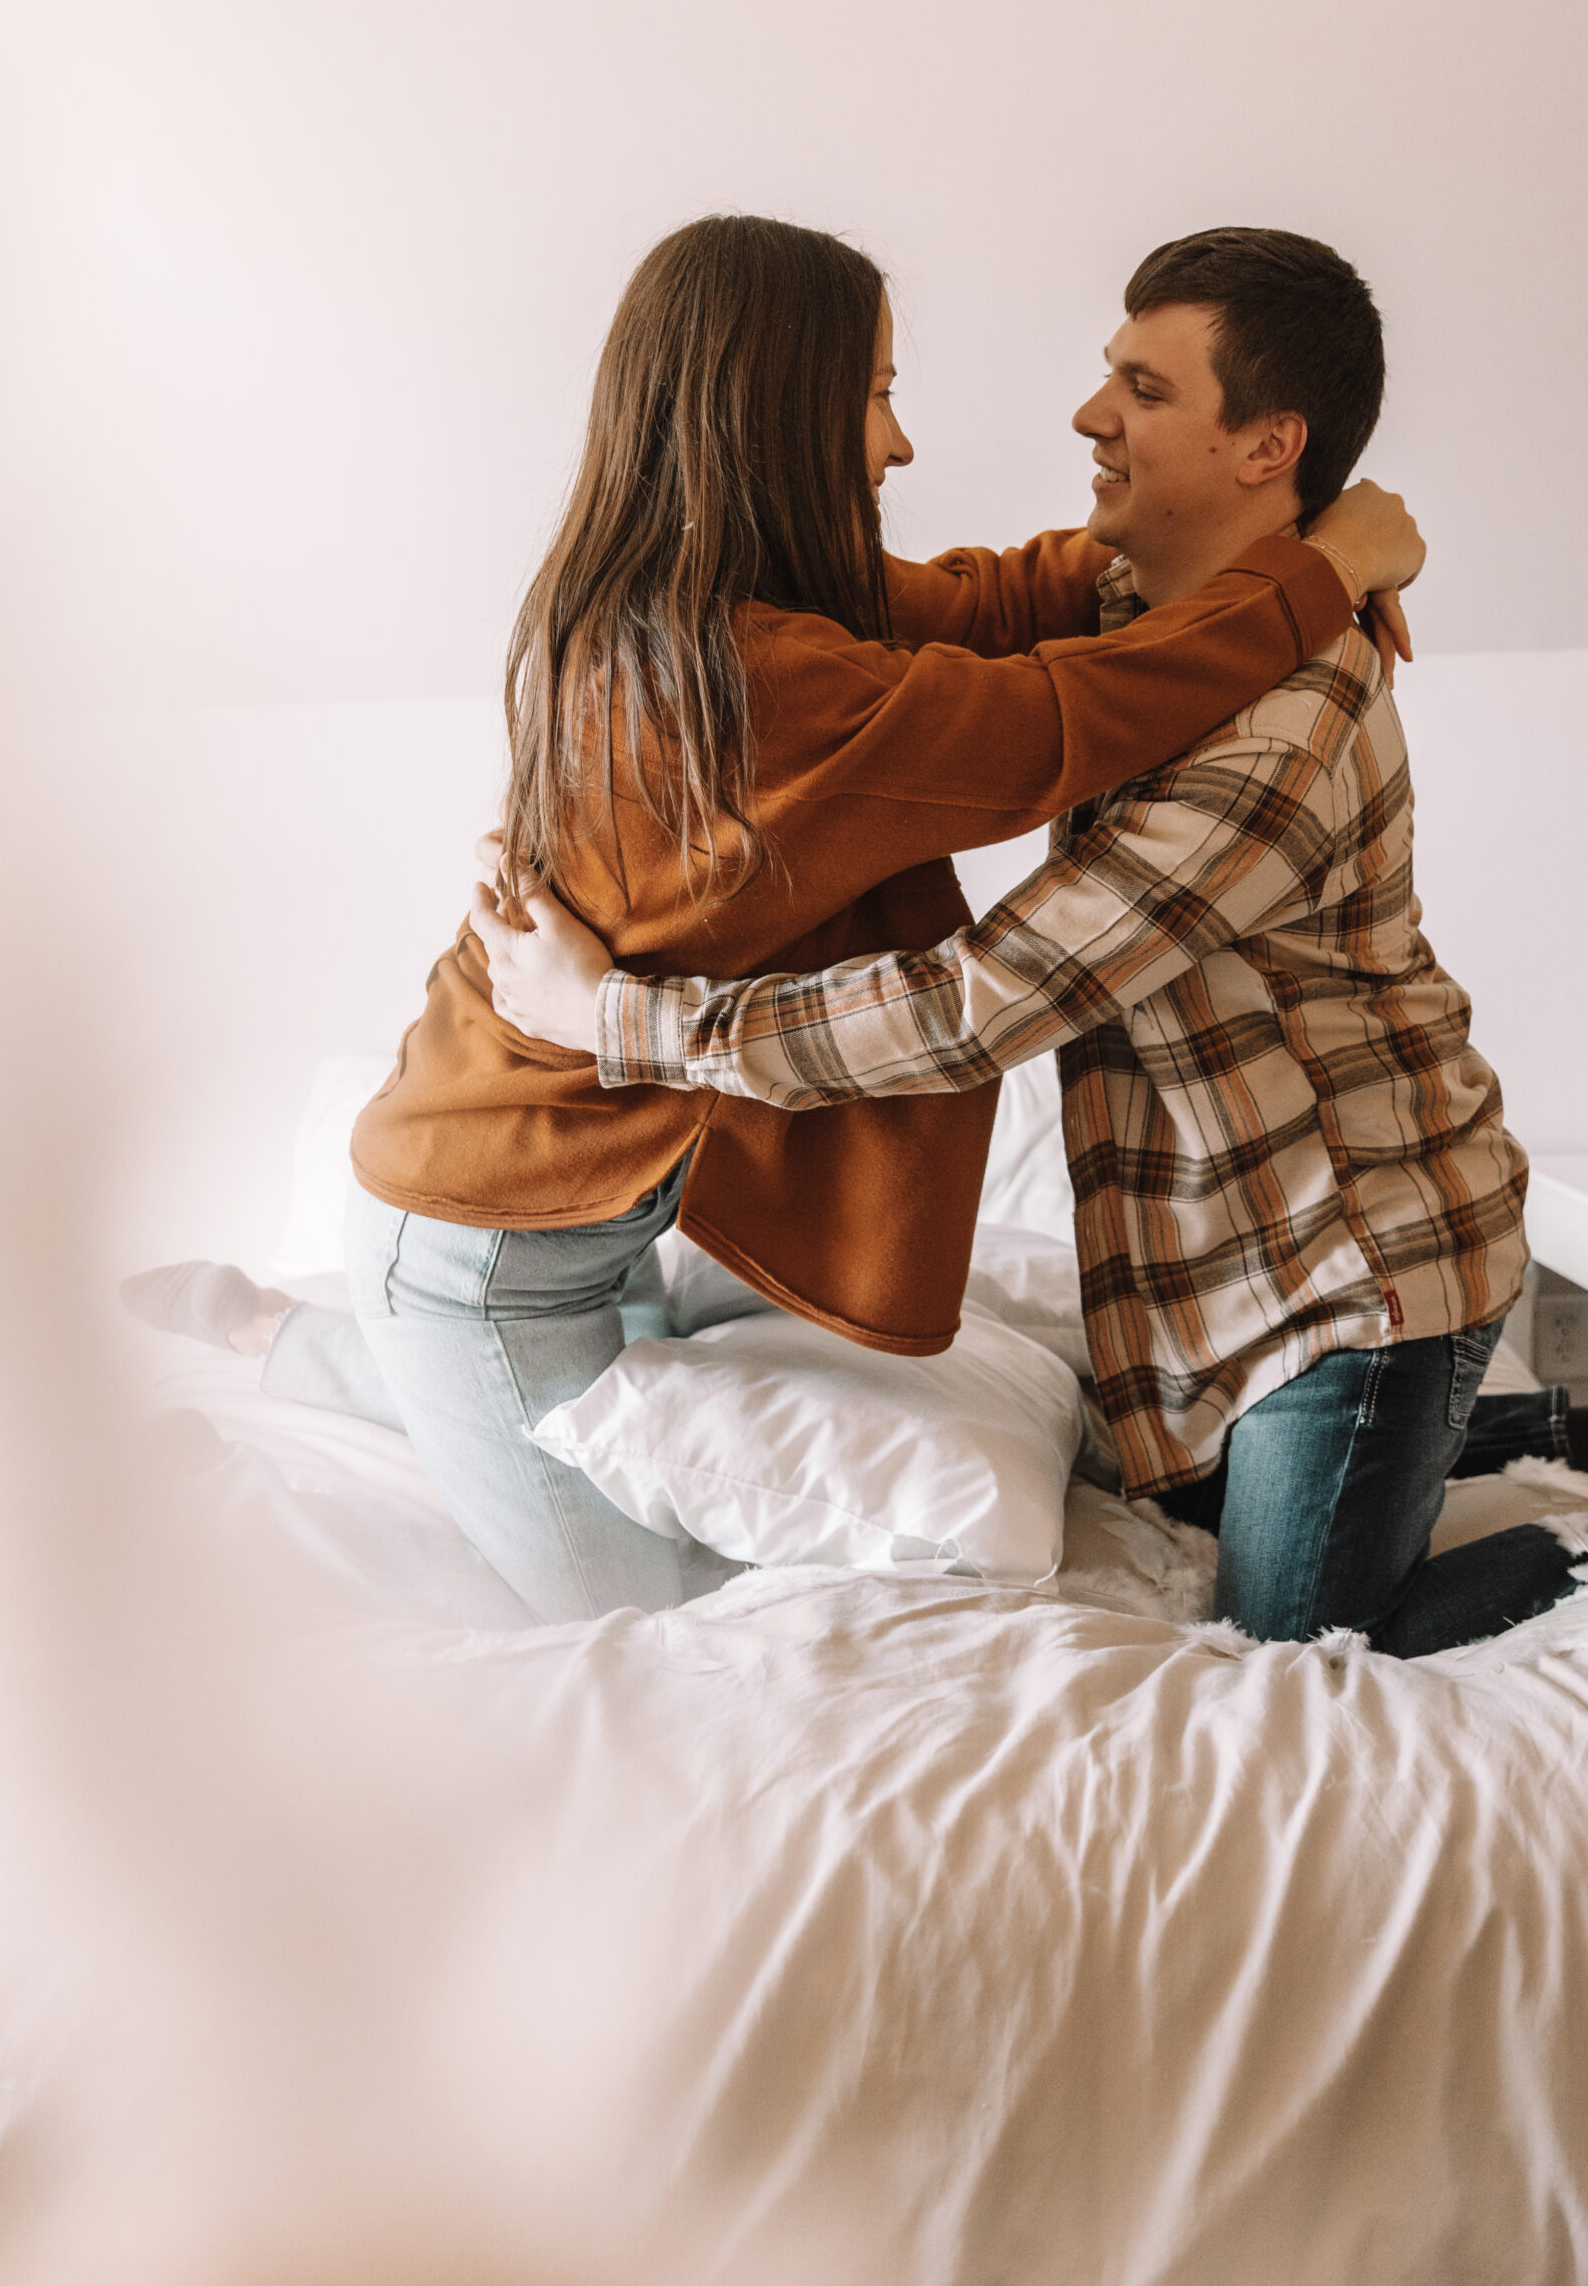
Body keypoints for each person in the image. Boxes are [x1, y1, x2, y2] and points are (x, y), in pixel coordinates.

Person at [127, 213, 1421, 1626]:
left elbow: (995, 604)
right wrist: (1309, 571)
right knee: (635, 1632)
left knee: (603, 1360)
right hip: (483, 1253)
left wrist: (1286, 567)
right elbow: (1059, 720)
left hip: (584, 1215)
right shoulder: (755, 673)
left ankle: (284, 1330)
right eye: (875, 397)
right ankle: (301, 1340)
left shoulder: (697, 593)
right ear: (780, 417)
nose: (901, 446)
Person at [472, 226, 1587, 1655]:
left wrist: (620, 1019)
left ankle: (1553, 1514)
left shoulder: (1285, 724)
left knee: (1297, 1644)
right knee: (1184, 1532)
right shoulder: (1141, 617)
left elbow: (981, 1004)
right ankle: (1522, 1421)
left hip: (1353, 1279)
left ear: (1267, 446)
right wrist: (1329, 552)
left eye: (1142, 386)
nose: (1087, 415)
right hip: (1204, 1276)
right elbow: (977, 608)